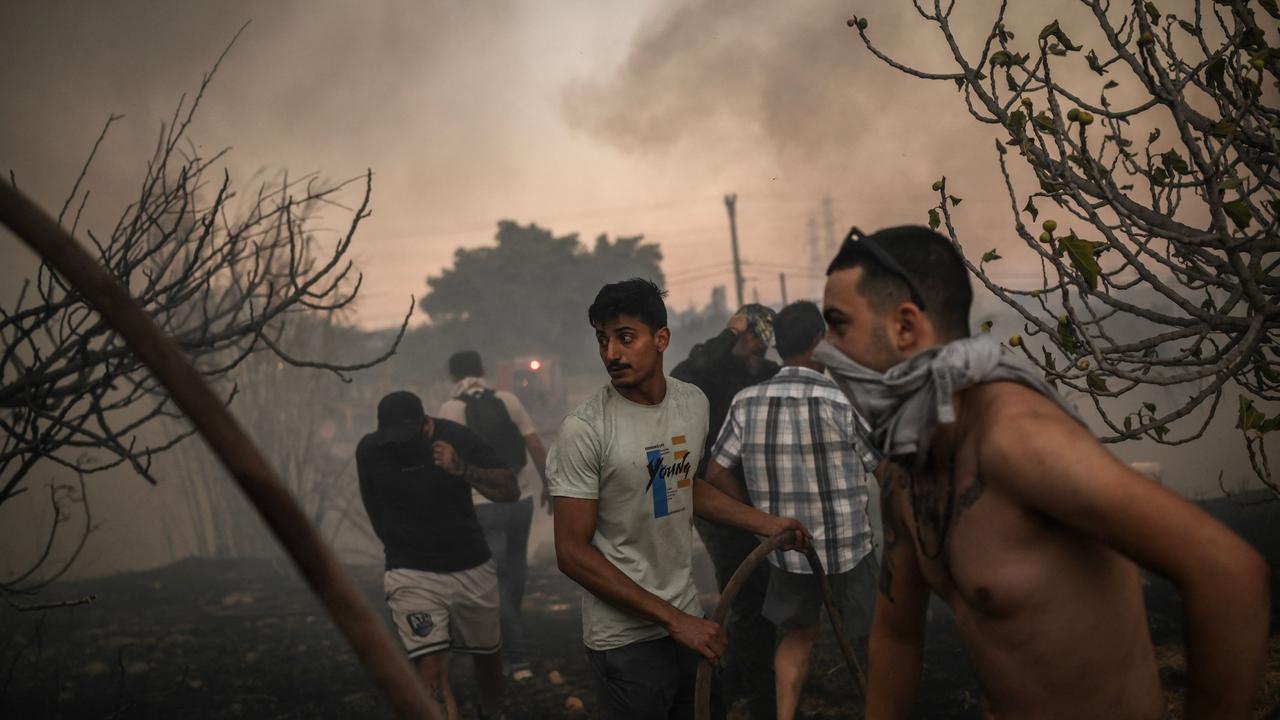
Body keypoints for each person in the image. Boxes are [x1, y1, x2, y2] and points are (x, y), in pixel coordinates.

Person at [815, 226, 1269, 719]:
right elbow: (897, 637)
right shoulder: (906, 472)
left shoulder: (1018, 440)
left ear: (905, 327)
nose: (825, 352)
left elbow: (1228, 573)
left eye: (838, 326)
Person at [547, 278, 809, 720]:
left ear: (662, 338)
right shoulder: (586, 430)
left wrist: (766, 523)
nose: (611, 354)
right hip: (626, 642)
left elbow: (681, 483)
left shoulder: (692, 404)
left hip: (688, 624)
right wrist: (674, 620)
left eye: (625, 338)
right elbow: (571, 553)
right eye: (603, 340)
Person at [705, 300, 879, 720]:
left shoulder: (746, 402)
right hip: (849, 549)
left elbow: (714, 474)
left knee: (797, 636)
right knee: (873, 640)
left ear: (778, 345)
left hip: (788, 550)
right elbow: (883, 465)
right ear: (819, 341)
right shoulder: (841, 399)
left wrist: (757, 520)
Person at [356, 390, 520, 720]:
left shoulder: (456, 437)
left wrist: (461, 468)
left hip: (470, 564)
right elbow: (373, 502)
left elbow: (509, 489)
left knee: (487, 662)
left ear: (425, 424)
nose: (398, 444)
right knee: (429, 669)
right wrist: (399, 544)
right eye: (392, 438)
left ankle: (490, 711)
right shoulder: (372, 450)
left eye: (405, 436)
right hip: (410, 570)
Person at [671, 303, 780, 716]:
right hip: (714, 499)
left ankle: (741, 679)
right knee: (744, 589)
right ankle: (757, 695)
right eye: (747, 335)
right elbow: (683, 373)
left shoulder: (768, 376)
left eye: (760, 338)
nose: (755, 344)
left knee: (762, 592)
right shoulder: (709, 371)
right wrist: (728, 335)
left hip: (763, 496)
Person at [438, 350, 550, 677]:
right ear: (483, 370)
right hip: (521, 499)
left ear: (451, 376)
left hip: (482, 506)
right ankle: (508, 632)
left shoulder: (450, 409)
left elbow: (446, 463)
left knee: (494, 581)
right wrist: (548, 486)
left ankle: (517, 658)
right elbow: (536, 447)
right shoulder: (509, 400)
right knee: (515, 568)